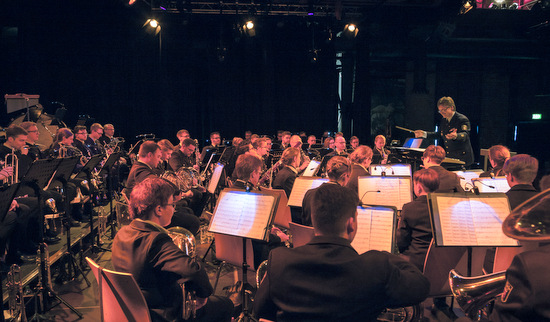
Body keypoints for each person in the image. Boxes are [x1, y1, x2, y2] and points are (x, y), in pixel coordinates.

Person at [254, 183, 430, 321]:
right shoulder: (377, 265)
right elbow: (421, 287)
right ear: (351, 223)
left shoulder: (280, 259)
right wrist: (387, 255)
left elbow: (260, 310)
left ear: (314, 220)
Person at [111, 177, 233, 322]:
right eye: (172, 204)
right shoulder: (155, 241)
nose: (174, 209)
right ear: (159, 210)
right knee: (226, 305)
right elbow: (193, 271)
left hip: (135, 310)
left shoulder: (122, 234)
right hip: (163, 314)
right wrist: (203, 294)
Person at [396, 168, 440, 271]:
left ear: (419, 187)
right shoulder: (443, 206)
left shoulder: (409, 207)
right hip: (440, 261)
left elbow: (402, 240)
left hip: (415, 261)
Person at [414, 96, 474, 167]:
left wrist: (456, 136)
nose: (442, 113)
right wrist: (424, 134)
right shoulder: (444, 120)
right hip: (451, 157)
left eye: (444, 110)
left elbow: (465, 134)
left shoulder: (461, 119)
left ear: (451, 107)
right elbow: (439, 134)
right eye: (440, 110)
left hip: (462, 158)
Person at [302, 156, 351, 226]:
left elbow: (305, 223)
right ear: (345, 175)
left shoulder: (309, 193)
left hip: (310, 236)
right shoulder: (346, 197)